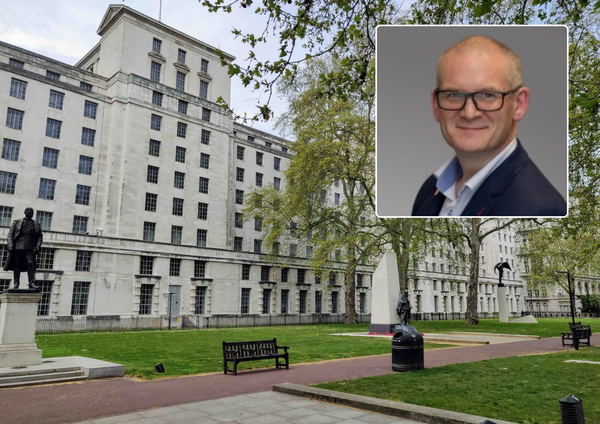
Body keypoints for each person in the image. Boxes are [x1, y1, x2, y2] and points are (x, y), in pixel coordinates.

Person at [412, 35, 566, 217]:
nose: (469, 113)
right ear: (436, 105)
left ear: (519, 104)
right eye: (454, 95)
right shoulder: (430, 189)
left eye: (487, 96)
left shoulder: (540, 209)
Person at [3, 207, 43, 289]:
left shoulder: (36, 223)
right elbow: (10, 234)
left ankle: (31, 283)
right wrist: (10, 245)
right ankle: (16, 283)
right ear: (25, 212)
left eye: (32, 212)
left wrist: (38, 246)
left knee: (31, 264)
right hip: (18, 246)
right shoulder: (17, 222)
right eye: (29, 212)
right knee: (16, 265)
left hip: (30, 246)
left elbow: (39, 236)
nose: (30, 214)